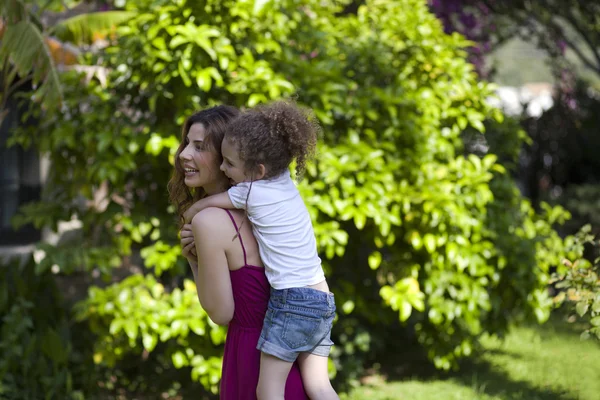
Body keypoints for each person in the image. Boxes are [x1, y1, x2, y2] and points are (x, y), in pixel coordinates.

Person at [182, 101, 339, 400]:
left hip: (257, 353)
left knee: (268, 392)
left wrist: (193, 256)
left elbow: (221, 312)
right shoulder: (281, 186)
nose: (183, 155)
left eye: (199, 146)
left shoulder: (221, 213)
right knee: (321, 387)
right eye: (186, 143)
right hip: (320, 297)